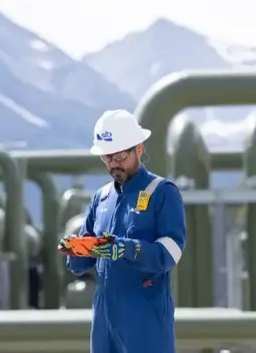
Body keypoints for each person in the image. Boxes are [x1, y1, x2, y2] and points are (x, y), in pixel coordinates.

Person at [58, 109, 186, 353]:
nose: (113, 164)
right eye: (107, 158)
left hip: (145, 320)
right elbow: (80, 264)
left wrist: (127, 249)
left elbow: (171, 253)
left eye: (119, 157)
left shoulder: (162, 193)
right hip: (105, 318)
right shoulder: (101, 198)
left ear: (138, 148)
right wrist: (75, 250)